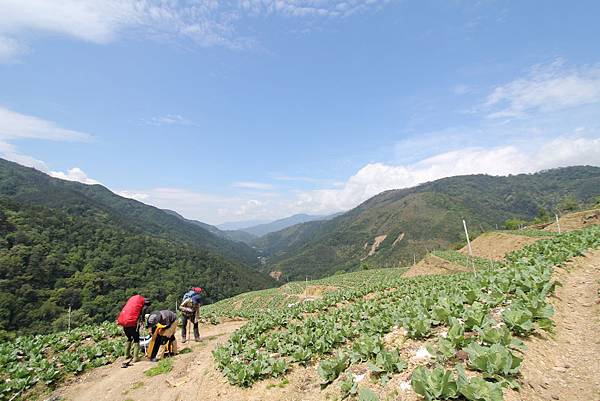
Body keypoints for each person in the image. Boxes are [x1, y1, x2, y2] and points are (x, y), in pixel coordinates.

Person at [116, 294, 150, 368]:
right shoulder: (143, 306)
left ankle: (126, 355)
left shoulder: (132, 304)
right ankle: (135, 357)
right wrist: (143, 321)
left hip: (125, 324)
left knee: (129, 338)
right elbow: (143, 315)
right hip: (133, 325)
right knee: (136, 340)